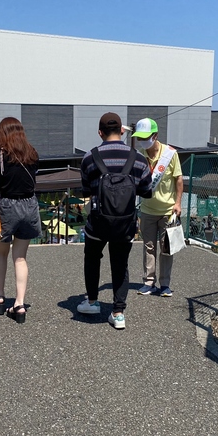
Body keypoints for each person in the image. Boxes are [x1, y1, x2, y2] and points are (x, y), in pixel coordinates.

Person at [77, 112, 152, 329]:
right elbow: (146, 191)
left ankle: (92, 301)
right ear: (122, 131)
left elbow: (85, 191)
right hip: (125, 224)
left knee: (92, 258)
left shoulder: (89, 158)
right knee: (120, 265)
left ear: (100, 133)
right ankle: (118, 313)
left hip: (97, 223)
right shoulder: (137, 158)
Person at [0, 117, 41, 324]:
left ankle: (0, 298)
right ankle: (19, 304)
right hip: (29, 205)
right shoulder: (32, 153)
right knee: (20, 258)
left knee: (1, 254)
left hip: (6, 207)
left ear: (2, 133)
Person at [132, 118, 183, 298]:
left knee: (166, 248)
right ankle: (148, 282)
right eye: (140, 137)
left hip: (168, 210)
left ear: (155, 136)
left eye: (146, 137)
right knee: (149, 247)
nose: (143, 141)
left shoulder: (170, 154)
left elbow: (178, 179)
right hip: (147, 210)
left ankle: (165, 284)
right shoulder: (138, 155)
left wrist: (178, 203)